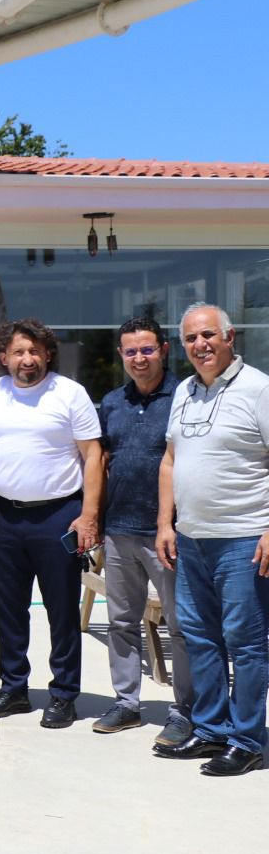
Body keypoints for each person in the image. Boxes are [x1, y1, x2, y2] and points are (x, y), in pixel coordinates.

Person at [155, 303, 269, 776]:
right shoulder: (184, 391)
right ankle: (211, 730)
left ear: (229, 336)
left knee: (245, 643)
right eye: (190, 339)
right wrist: (165, 523)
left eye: (207, 335)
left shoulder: (259, 389)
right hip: (191, 538)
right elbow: (170, 460)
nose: (200, 345)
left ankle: (247, 741)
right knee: (200, 638)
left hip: (243, 538)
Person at [0, 318, 103, 729]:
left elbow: (93, 456)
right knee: (9, 609)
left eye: (34, 350)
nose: (27, 359)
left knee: (61, 611)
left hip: (59, 516)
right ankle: (13, 688)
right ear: (4, 357)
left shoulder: (69, 393)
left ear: (48, 353)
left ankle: (63, 693)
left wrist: (88, 515)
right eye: (18, 352)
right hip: (6, 516)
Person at [95, 316, 192, 744]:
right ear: (121, 354)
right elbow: (100, 462)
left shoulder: (185, 397)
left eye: (147, 349)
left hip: (168, 535)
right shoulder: (111, 402)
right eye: (131, 351)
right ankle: (126, 703)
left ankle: (185, 709)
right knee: (121, 622)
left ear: (164, 350)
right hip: (119, 530)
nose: (139, 358)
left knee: (181, 626)